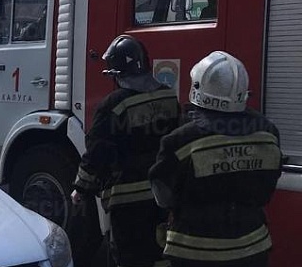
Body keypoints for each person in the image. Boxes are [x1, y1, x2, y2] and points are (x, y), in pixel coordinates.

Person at [149, 51, 282, 267]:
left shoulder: (180, 141)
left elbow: (163, 197)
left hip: (196, 251)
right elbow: (269, 183)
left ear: (198, 87)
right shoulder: (268, 132)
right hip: (253, 246)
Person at [71, 34, 182, 267]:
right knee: (161, 251)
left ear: (117, 73)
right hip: (164, 194)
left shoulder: (113, 105)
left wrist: (81, 188)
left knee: (129, 254)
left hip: (127, 198)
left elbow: (97, 150)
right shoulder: (169, 97)